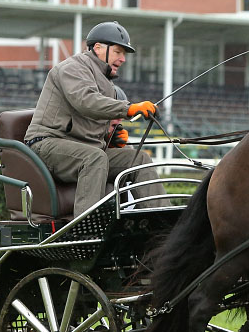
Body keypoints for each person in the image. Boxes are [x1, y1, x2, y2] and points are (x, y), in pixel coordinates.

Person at [23, 21, 170, 216]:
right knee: (94, 158)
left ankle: (163, 222)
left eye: (124, 54)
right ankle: (87, 227)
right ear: (98, 48)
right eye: (118, 52)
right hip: (47, 144)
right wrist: (130, 108)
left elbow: (92, 123)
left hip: (84, 149)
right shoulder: (71, 68)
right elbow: (87, 101)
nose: (123, 59)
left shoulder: (106, 81)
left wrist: (112, 139)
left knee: (138, 158)